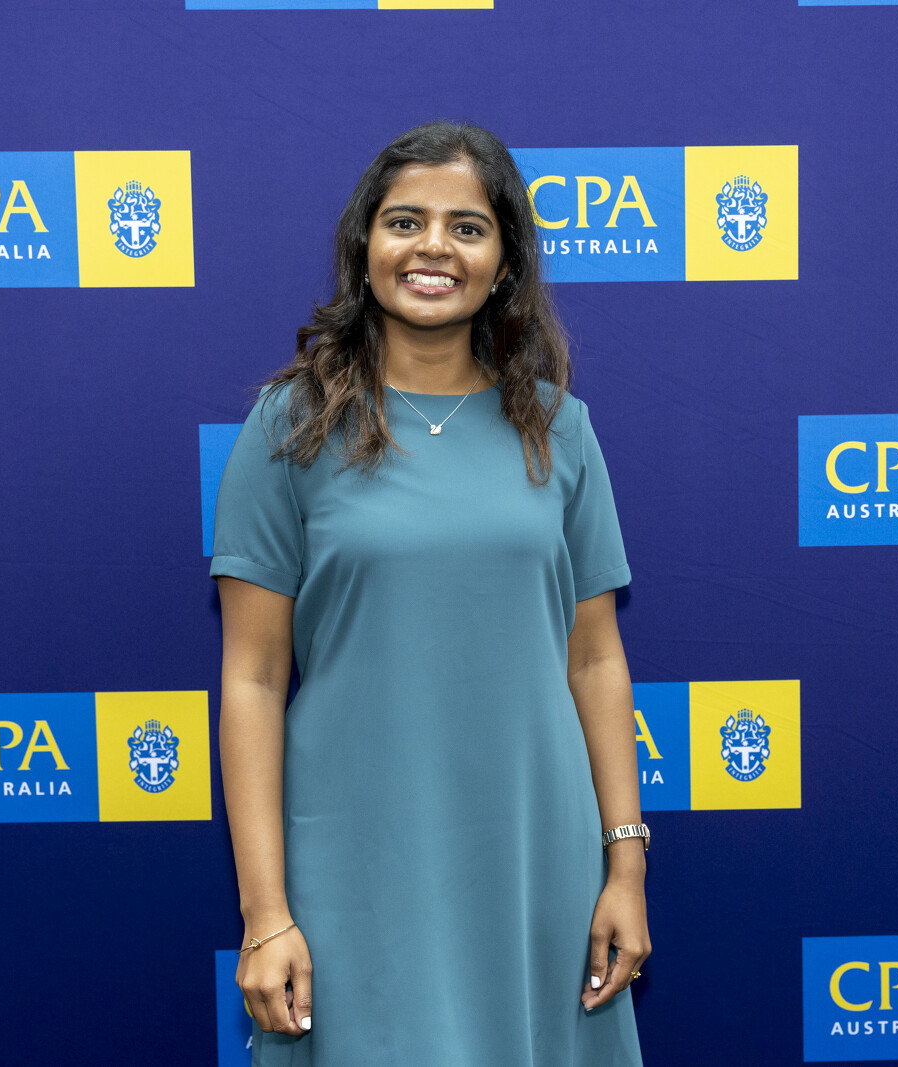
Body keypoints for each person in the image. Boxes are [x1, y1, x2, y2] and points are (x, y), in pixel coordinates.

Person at [211, 120, 649, 1066]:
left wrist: (625, 864)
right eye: (405, 221)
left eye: (468, 226)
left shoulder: (561, 431)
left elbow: (595, 659)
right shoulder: (290, 427)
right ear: (364, 246)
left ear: (506, 263)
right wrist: (264, 910)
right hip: (353, 853)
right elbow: (252, 677)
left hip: (534, 852)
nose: (433, 247)